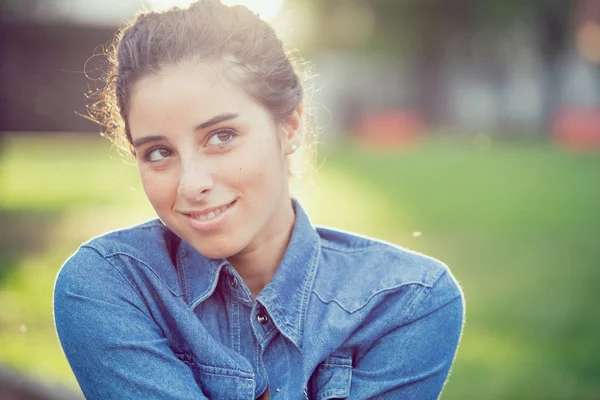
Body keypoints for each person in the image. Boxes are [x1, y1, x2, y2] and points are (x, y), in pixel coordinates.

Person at [53, 1, 465, 399]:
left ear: (290, 126)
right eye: (158, 152)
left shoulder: (408, 303)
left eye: (221, 137)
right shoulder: (108, 284)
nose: (191, 185)